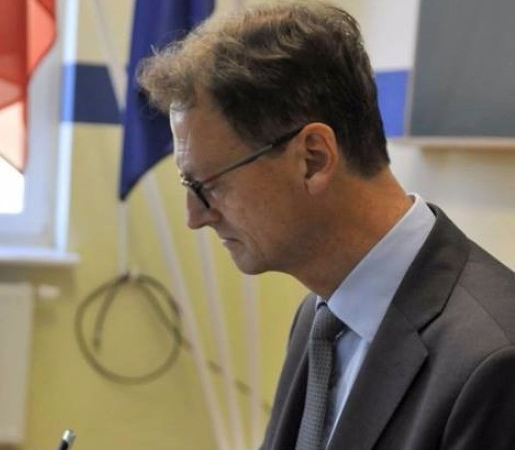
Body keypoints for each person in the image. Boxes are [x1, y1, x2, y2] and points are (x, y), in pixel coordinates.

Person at [136, 1, 515, 449]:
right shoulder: (324, 316)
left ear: (313, 159)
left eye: (208, 185)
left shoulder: (493, 362)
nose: (194, 217)